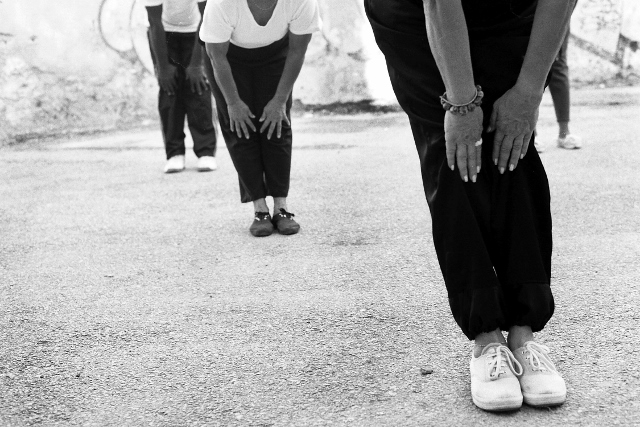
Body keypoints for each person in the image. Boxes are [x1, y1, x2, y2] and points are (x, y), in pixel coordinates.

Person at [365, 0, 575, 412]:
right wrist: (461, 104)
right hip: (414, 17)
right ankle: (486, 340)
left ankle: (523, 332)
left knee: (513, 145)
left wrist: (529, 92)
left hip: (511, 13)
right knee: (456, 154)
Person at [199, 0, 321, 237]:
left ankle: (281, 207)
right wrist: (233, 103)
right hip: (226, 58)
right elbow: (216, 56)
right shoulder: (222, 3)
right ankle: (260, 209)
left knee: (276, 122)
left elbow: (297, 50)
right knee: (239, 126)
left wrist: (279, 100)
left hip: (276, 53)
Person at [146, 0, 218, 173]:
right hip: (163, 34)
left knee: (198, 87)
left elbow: (206, 20)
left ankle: (205, 152)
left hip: (196, 32)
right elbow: (155, 23)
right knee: (169, 89)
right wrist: (163, 67)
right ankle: (174, 153)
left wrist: (196, 64)